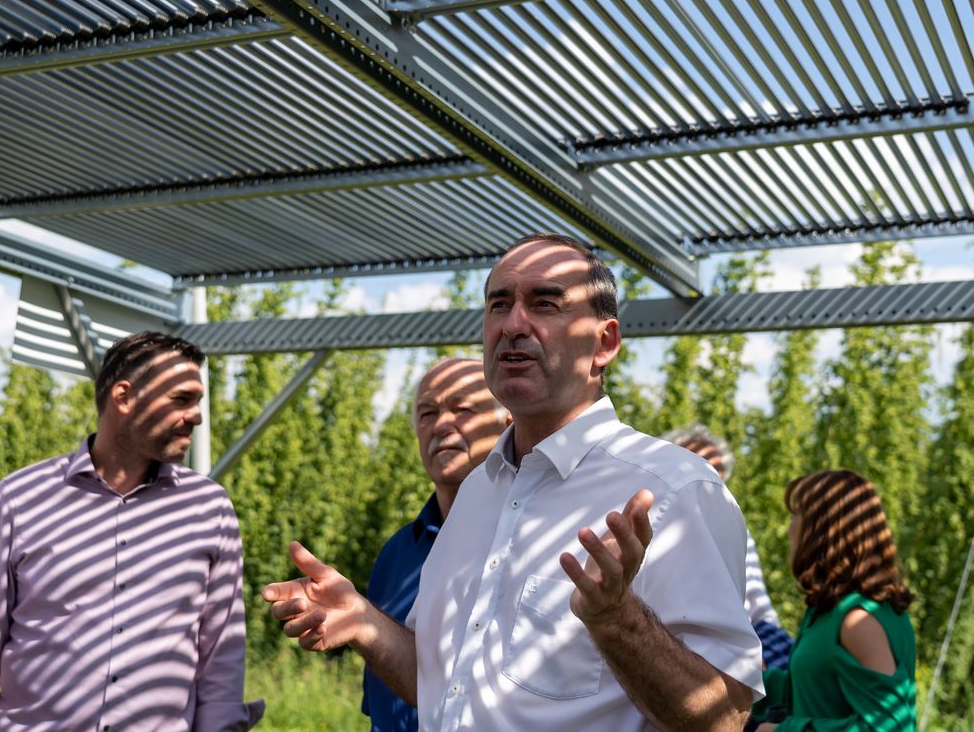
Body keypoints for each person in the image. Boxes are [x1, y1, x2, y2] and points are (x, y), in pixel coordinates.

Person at [263, 232, 763, 732]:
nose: (513, 324)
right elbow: (445, 687)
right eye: (498, 305)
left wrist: (617, 619)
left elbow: (726, 719)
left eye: (545, 304)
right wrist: (362, 620)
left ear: (604, 343)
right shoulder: (479, 492)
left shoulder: (675, 489)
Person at [0, 331, 263, 732]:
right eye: (182, 399)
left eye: (197, 400)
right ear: (125, 397)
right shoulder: (21, 497)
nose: (197, 415)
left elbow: (221, 661)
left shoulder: (209, 509)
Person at [363, 357, 507, 732]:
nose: (442, 424)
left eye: (463, 409)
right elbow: (380, 706)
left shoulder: (533, 541)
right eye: (428, 413)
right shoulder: (397, 554)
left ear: (508, 425)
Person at [750, 470, 917, 732]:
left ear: (820, 531)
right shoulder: (828, 610)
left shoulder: (859, 620)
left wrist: (776, 731)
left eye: (795, 515)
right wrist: (748, 684)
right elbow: (814, 688)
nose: (789, 529)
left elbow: (887, 727)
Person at [665, 425, 795, 669]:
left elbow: (756, 601)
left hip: (742, 644)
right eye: (696, 465)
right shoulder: (657, 526)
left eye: (716, 473)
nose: (707, 479)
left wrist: (763, 650)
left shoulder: (735, 528)